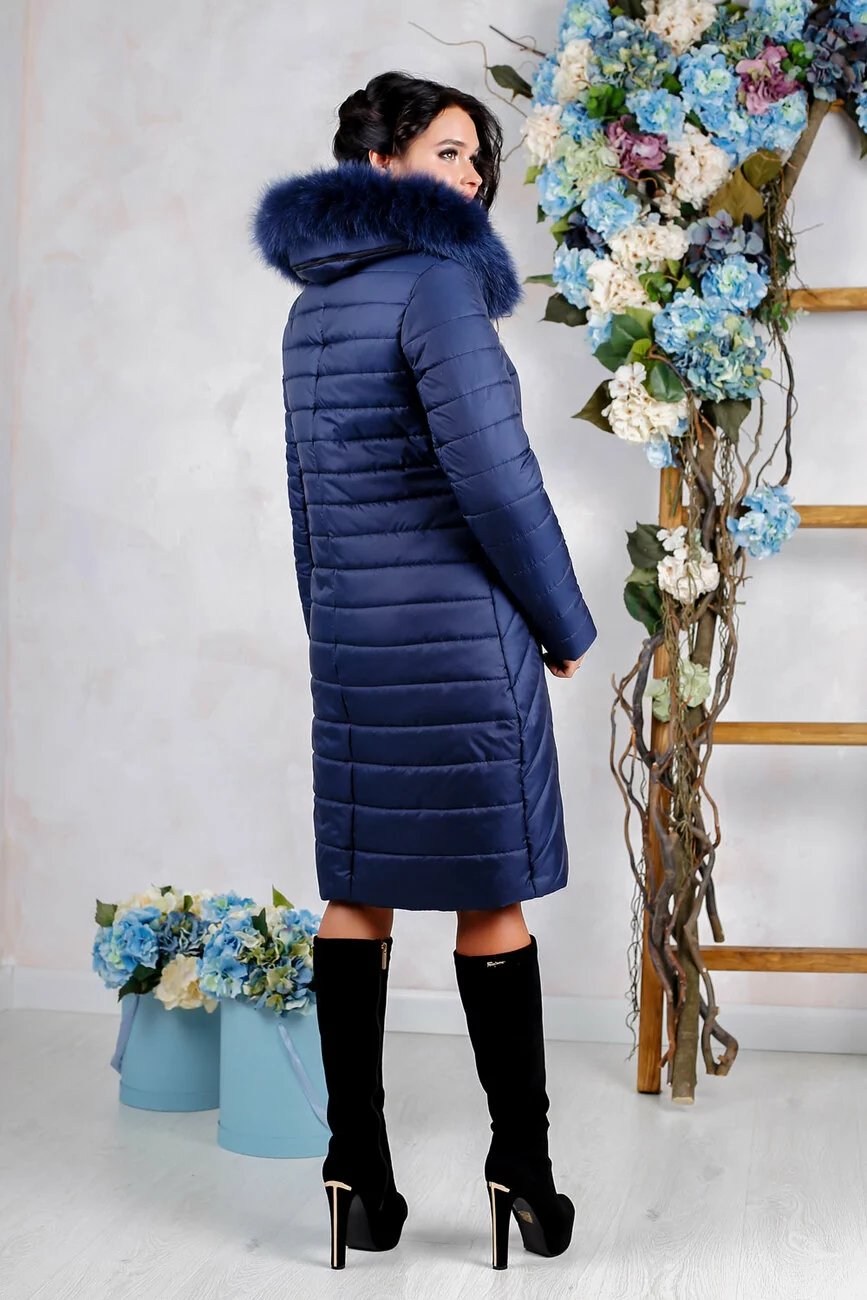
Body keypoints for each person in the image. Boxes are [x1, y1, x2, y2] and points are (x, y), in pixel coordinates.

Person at [251, 69, 598, 1271]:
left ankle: (354, 1169)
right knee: (489, 898)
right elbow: (497, 480)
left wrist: (332, 628)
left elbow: (307, 505)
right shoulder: (440, 284)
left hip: (357, 641)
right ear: (380, 162)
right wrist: (563, 621)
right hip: (460, 642)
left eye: (478, 158)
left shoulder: (312, 308)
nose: (473, 175)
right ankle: (524, 1175)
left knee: (359, 890)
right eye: (449, 151)